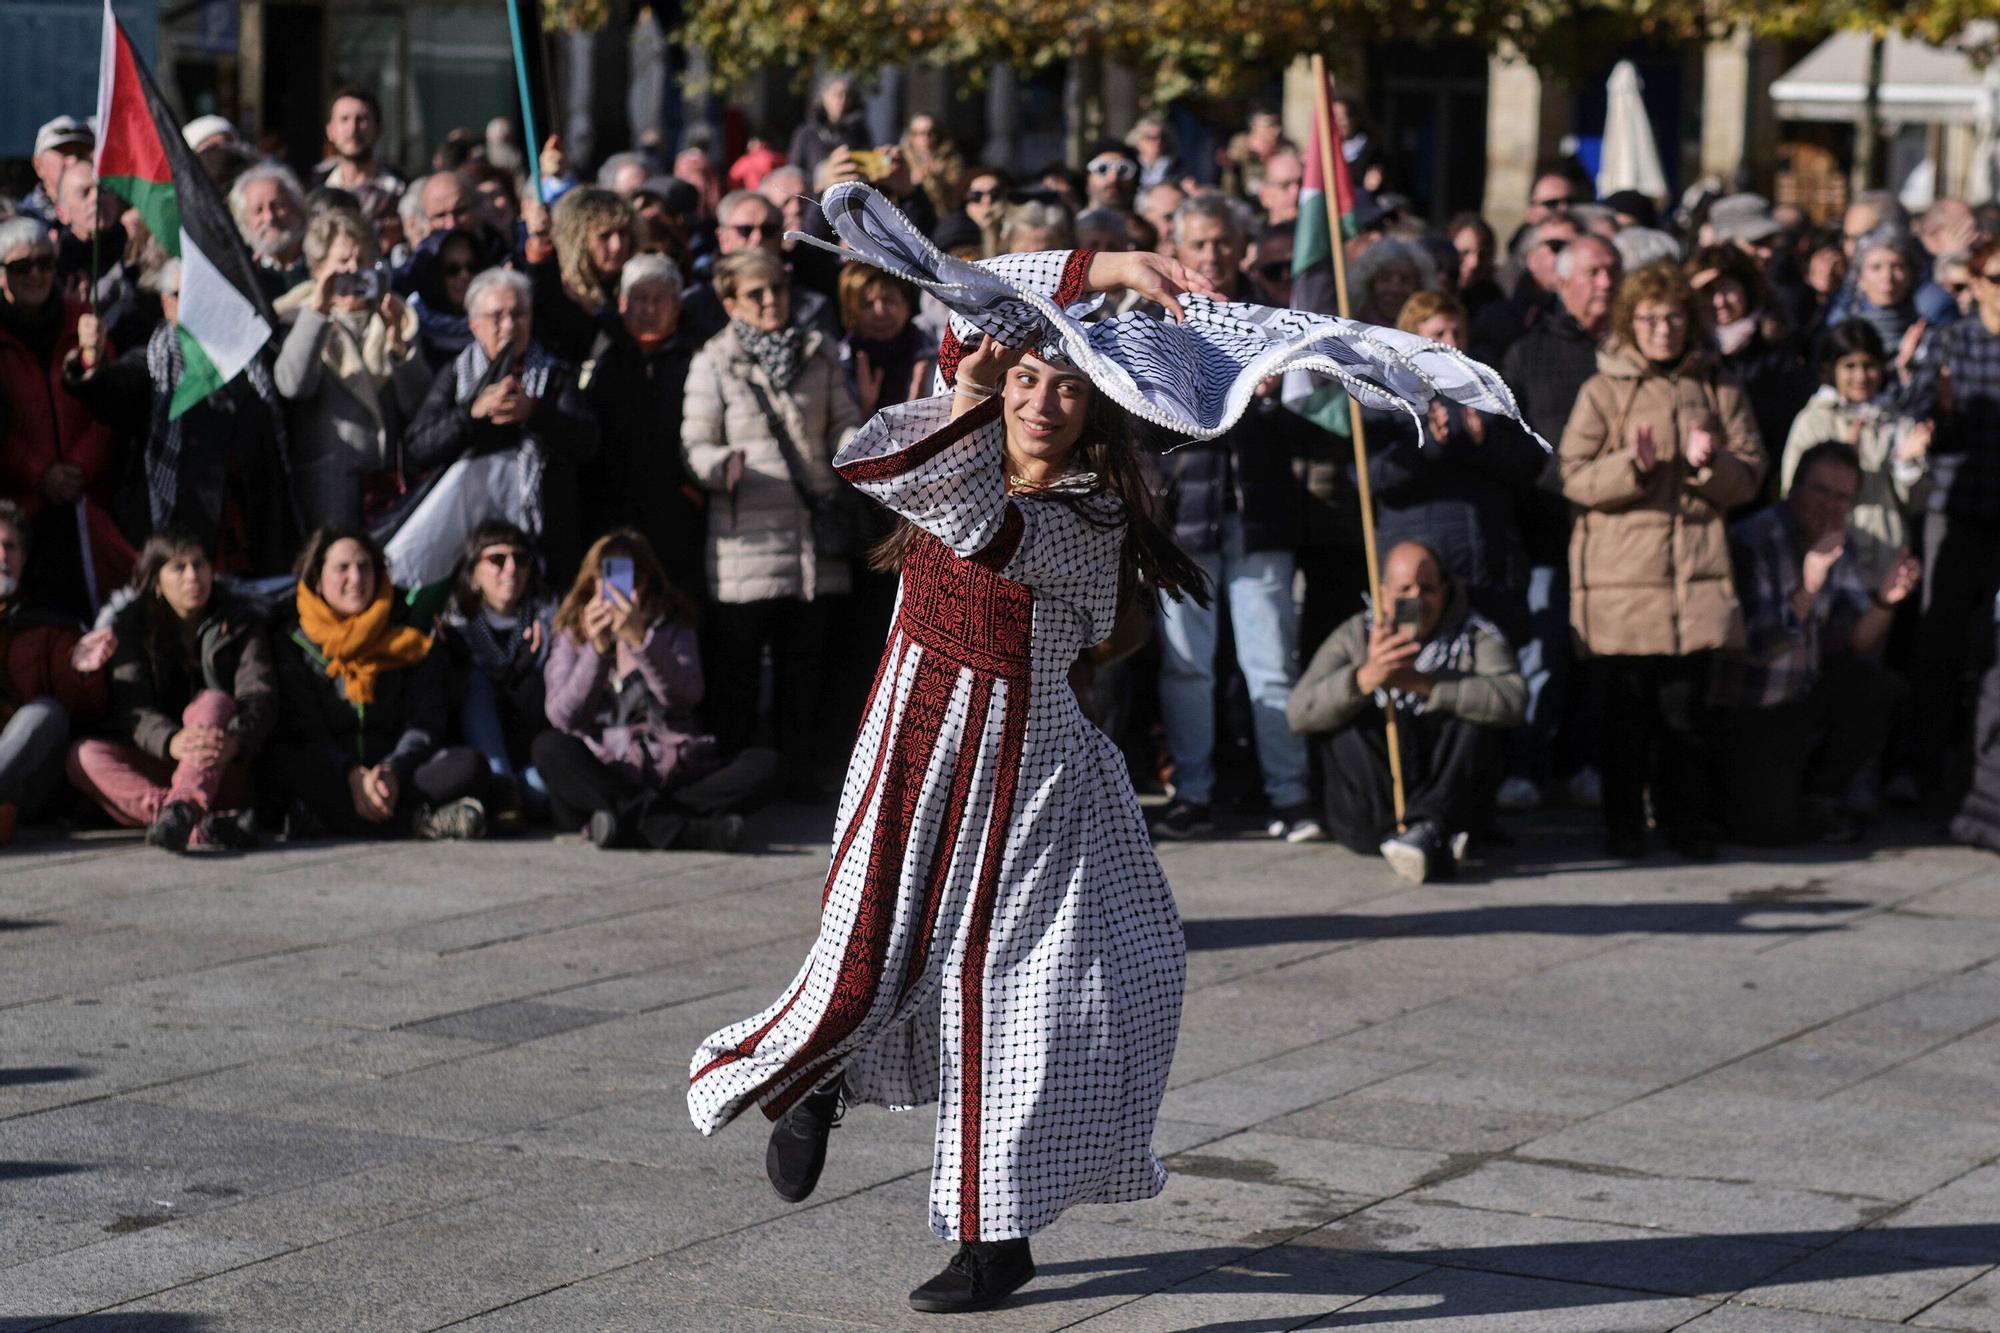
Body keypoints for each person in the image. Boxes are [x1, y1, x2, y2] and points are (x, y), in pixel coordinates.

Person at [687, 243, 1216, 1314]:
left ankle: (994, 1236)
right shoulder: (965, 406)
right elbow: (955, 280)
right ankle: (813, 1080)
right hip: (908, 744)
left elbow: (958, 509)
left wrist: (971, 386)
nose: (1041, 400)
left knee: (1018, 1002)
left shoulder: (1087, 514)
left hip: (1032, 779)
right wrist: (1101, 261)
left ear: (1096, 409)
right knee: (863, 957)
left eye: (1067, 388)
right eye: (1029, 376)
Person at [1560, 261, 1766, 859]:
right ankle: (1622, 826)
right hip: (1625, 580)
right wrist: (1634, 467)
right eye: (1649, 319)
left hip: (1694, 577)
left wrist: (1710, 466)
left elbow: (1751, 475)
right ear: (1630, 322)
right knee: (1626, 718)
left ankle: (1687, 823)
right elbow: (1572, 476)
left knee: (1687, 716)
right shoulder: (1602, 390)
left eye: (1674, 317)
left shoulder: (1718, 386)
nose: (1663, 330)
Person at [1149, 194, 1320, 842]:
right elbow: (1141, 424)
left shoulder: (1273, 320)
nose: (1212, 254)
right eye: (1200, 244)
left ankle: (1290, 792)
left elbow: (1314, 425)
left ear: (1242, 245)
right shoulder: (1156, 321)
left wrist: (1273, 404)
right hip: (1187, 518)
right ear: (1179, 250)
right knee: (1187, 666)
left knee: (1270, 661)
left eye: (1222, 242)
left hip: (1261, 515)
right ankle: (1192, 792)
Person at [681, 250, 859, 789]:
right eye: (755, 293)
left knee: (802, 667)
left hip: (812, 537)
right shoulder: (714, 360)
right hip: (747, 541)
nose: (770, 301)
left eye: (777, 290)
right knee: (738, 667)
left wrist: (852, 453)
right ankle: (737, 775)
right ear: (730, 302)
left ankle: (796, 772)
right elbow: (695, 442)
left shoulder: (818, 351)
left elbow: (845, 422)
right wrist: (718, 465)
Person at [1710, 443, 1918, 844]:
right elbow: (1755, 647)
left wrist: (1885, 601)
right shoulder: (1754, 539)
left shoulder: (1841, 543)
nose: (1829, 505)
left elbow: (1858, 642)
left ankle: (1817, 796)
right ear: (1794, 487)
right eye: (1821, 491)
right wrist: (1807, 587)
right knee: (1768, 833)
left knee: (1880, 687)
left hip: (1802, 693)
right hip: (1751, 706)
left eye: (1842, 497)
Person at [1286, 540, 1525, 881]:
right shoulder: (1355, 634)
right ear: (1383, 593)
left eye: (1426, 589)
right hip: (1371, 800)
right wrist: (1364, 679)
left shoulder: (1474, 635)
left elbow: (1513, 700)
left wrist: (1425, 684)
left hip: (1442, 783)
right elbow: (1298, 712)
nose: (1415, 600)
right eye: (1404, 589)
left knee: (1477, 719)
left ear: (1444, 591)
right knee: (1345, 718)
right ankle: (1398, 830)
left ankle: (1430, 825)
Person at [533, 529, 776, 849]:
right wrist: (597, 650)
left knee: (767, 765)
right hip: (606, 771)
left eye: (630, 579)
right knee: (549, 747)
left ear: (647, 580)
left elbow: (686, 696)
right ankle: (686, 830)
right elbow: (564, 717)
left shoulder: (672, 622)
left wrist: (641, 643)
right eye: (608, 579)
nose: (619, 591)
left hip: (672, 772)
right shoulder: (571, 631)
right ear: (591, 582)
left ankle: (627, 822)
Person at [263, 525, 488, 840]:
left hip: (397, 774)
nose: (355, 579)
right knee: (282, 761)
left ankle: (332, 822)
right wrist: (351, 775)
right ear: (317, 577)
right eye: (342, 568)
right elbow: (307, 729)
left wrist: (392, 771)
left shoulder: (409, 634)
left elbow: (424, 723)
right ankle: (416, 822)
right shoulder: (293, 641)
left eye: (364, 567)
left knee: (468, 765)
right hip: (333, 773)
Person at [66, 527, 274, 851]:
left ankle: (182, 812)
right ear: (157, 582)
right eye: (179, 567)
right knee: (84, 755)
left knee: (212, 702)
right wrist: (171, 740)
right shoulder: (130, 625)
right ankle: (190, 820)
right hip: (163, 757)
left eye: (200, 564)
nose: (193, 576)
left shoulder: (241, 619)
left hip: (223, 761)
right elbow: (131, 707)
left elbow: (258, 694)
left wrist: (235, 741)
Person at [402, 268, 600, 587]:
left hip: (542, 542)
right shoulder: (457, 373)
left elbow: (585, 442)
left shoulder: (554, 375)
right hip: (468, 542)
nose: (509, 326)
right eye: (496, 316)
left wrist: (534, 413)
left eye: (518, 314)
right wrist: (471, 412)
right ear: (474, 324)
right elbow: (419, 447)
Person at [1367, 293, 1544, 632]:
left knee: (1494, 660)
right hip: (1417, 575)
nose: (1452, 344)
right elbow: (1370, 477)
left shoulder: (1491, 390)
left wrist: (1485, 443)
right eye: (1438, 335)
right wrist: (1428, 446)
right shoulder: (1384, 395)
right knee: (1411, 653)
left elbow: (1529, 463)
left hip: (1489, 566)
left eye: (1458, 333)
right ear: (1411, 338)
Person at [1904, 234, 2000, 794]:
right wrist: (1937, 407)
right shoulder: (1952, 342)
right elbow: (1912, 410)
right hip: (1957, 507)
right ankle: (1920, 768)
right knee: (1937, 642)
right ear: (1978, 283)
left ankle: (1983, 774)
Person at [0, 216, 133, 618]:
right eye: (21, 267)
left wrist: (77, 468)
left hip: (87, 506)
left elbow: (107, 407)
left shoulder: (84, 321)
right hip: (20, 512)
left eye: (44, 263)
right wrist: (39, 474)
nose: (36, 275)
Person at [273, 209, 430, 531]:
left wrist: (398, 345)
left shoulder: (398, 316)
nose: (352, 271)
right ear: (318, 270)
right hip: (329, 488)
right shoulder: (297, 321)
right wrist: (318, 311)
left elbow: (420, 405)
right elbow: (292, 385)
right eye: (342, 262)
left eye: (362, 261)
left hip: (390, 488)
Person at [576, 255, 705, 594]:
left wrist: (690, 494)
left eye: (659, 298)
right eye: (639, 298)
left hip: (676, 515)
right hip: (612, 514)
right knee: (617, 604)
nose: (649, 307)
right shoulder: (602, 352)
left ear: (677, 305)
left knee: (674, 607)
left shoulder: (696, 356)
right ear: (622, 303)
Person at [1779, 320, 1932, 586]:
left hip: (1888, 565)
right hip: (1830, 561)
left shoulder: (1895, 419)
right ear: (1830, 370)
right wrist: (1842, 466)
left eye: (1869, 365)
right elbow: (1793, 492)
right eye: (1850, 366)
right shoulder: (1814, 420)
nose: (1861, 376)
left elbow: (1916, 504)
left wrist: (1906, 465)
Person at [0, 500, 109, 843]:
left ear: (24, 558)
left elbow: (83, 713)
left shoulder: (48, 622)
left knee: (43, 714)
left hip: (25, 785)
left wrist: (81, 673)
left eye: (10, 546)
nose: (2, 556)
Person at [438, 519, 554, 830]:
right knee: (475, 682)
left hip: (530, 752)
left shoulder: (549, 622)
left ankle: (507, 794)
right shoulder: (456, 626)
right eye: (497, 559)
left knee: (543, 787)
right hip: (482, 758)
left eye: (521, 559)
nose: (511, 568)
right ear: (474, 571)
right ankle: (502, 788)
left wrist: (534, 668)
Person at [1687, 244, 1812, 480]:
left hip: (1759, 478)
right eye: (1708, 292)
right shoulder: (1686, 349)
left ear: (1747, 289)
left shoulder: (1773, 346)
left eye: (1727, 289)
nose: (1719, 302)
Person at [310, 87, 405, 225]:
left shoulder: (399, 189)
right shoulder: (312, 189)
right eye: (344, 119)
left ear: (378, 129)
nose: (353, 128)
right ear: (330, 131)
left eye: (362, 119)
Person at [228, 163, 309, 302]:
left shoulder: (326, 259)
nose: (269, 217)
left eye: (277, 206)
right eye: (258, 210)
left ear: (298, 208)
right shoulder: (244, 277)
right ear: (244, 221)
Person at [788, 75, 871, 178]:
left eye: (848, 95)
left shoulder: (858, 133)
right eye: (837, 94)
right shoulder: (806, 134)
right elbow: (794, 174)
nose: (843, 100)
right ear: (824, 96)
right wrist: (821, 176)